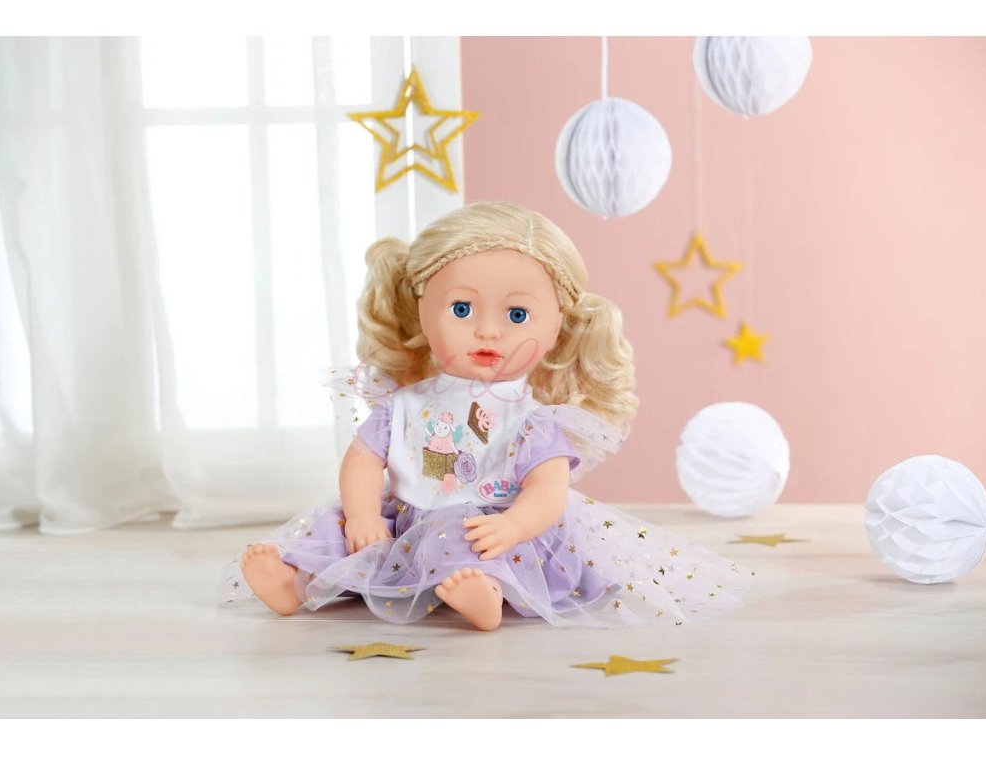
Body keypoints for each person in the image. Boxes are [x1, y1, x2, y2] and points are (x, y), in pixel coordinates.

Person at [220, 201, 750, 630]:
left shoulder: (533, 420)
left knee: (470, 544)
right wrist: (361, 514)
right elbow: (362, 459)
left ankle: (486, 593)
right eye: (462, 309)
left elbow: (548, 490)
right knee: (334, 527)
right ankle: (293, 583)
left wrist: (514, 525)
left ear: (557, 324)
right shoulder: (404, 404)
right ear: (423, 310)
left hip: (489, 525)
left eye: (517, 314)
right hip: (400, 521)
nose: (488, 330)